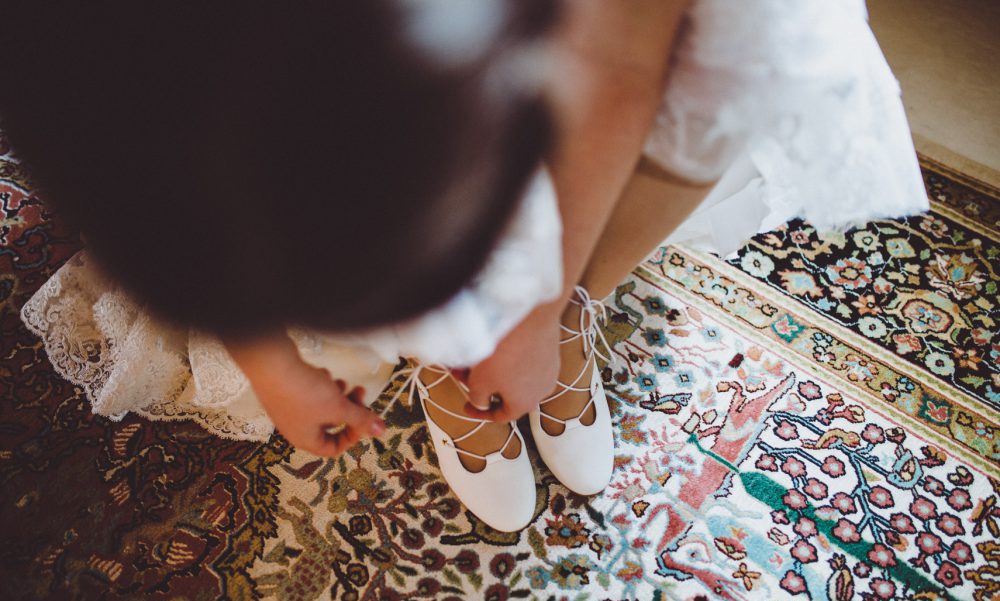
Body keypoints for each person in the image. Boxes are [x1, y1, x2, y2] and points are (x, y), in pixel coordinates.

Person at [4, 1, 928, 532]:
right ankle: (463, 355)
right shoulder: (108, 73)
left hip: (610, 35)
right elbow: (183, 217)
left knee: (740, 72)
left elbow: (616, 65)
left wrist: (539, 307)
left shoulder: (528, 54)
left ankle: (567, 315)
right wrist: (271, 361)